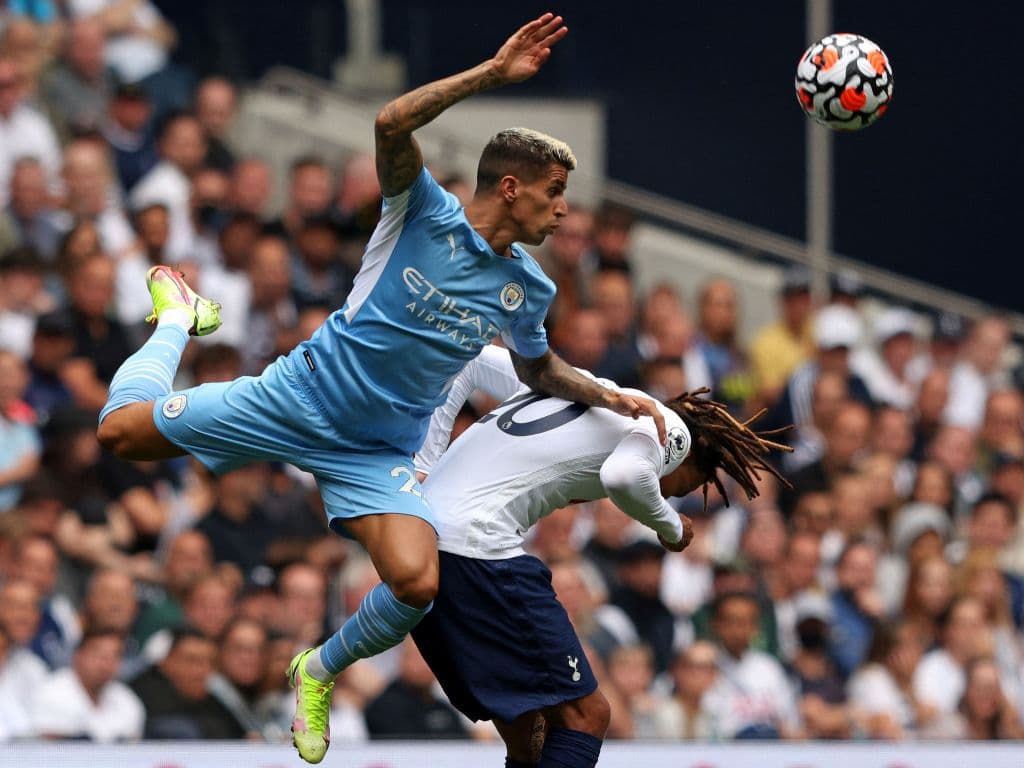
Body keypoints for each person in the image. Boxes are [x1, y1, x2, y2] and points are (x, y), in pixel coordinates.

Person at [96, 15, 665, 763]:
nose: (564, 209)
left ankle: (317, 668)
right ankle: (176, 315)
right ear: (510, 188)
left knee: (417, 580)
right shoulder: (422, 210)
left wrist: (606, 394)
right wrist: (490, 74)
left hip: (378, 453)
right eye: (554, 192)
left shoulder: (528, 286)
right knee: (119, 433)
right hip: (298, 399)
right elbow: (391, 122)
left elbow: (536, 371)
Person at [410, 344, 790, 767]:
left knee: (531, 732)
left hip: (421, 538)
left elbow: (470, 358)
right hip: (478, 550)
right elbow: (625, 477)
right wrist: (670, 526)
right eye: (684, 488)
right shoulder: (671, 429)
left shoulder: (574, 383)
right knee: (588, 716)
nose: (670, 494)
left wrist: (424, 462)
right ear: (693, 456)